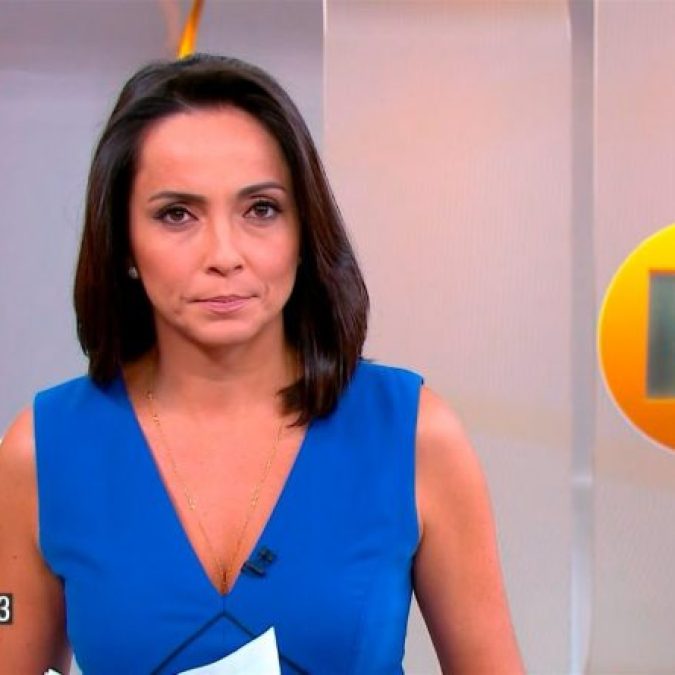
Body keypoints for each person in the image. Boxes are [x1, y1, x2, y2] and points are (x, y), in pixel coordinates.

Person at [0, 54, 523, 674]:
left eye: (261, 209)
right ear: (125, 246)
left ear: (304, 232)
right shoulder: (42, 451)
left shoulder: (414, 435)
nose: (225, 254)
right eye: (176, 214)